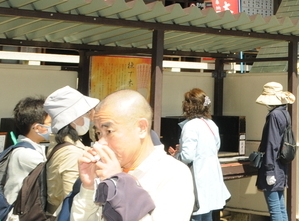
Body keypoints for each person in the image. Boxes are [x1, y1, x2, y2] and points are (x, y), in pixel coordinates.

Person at [72, 89, 194, 221]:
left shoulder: (173, 173)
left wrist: (119, 184)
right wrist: (89, 188)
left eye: (109, 131)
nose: (100, 143)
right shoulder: (105, 171)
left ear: (141, 128)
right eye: (99, 133)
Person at [170, 88, 231, 221]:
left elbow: (187, 156)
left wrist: (176, 155)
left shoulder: (190, 126)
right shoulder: (211, 124)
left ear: (188, 106)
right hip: (211, 175)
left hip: (197, 177)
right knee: (207, 214)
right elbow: (216, 147)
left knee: (195, 214)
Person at [44, 86, 98, 213]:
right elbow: (73, 197)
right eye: (86, 113)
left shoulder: (61, 144)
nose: (90, 118)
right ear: (72, 118)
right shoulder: (71, 153)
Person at [256, 82, 296, 221]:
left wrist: (269, 170)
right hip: (281, 166)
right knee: (280, 206)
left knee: (274, 209)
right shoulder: (284, 113)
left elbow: (271, 144)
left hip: (272, 166)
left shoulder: (273, 115)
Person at [3, 96, 50, 207]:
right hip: (19, 212)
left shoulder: (27, 148)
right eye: (50, 123)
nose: (54, 126)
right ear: (37, 128)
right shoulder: (26, 154)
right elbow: (51, 177)